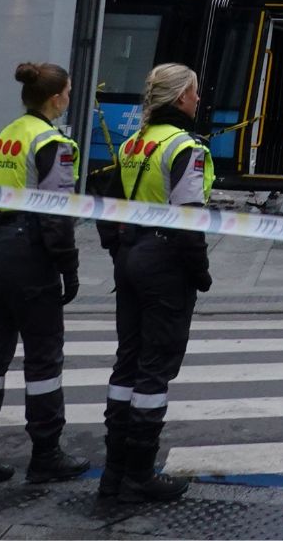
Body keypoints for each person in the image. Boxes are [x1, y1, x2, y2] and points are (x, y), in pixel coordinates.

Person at [0, 63, 91, 486]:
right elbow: (56, 213)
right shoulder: (53, 141)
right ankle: (46, 453)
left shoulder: (7, 134)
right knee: (44, 357)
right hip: (29, 251)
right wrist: (68, 265)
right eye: (68, 90)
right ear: (56, 98)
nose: (69, 96)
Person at [98, 64, 214, 504]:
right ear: (181, 96)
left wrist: (119, 249)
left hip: (131, 254)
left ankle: (114, 471)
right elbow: (188, 220)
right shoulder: (186, 147)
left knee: (127, 361)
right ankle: (140, 473)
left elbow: (108, 204)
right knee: (156, 365)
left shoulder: (134, 143)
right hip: (165, 261)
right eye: (195, 92)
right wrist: (200, 272)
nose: (199, 99)